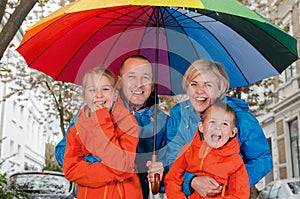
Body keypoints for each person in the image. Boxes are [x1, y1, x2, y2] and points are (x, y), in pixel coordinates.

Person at [55, 55, 169, 199]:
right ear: (119, 82)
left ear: (152, 85)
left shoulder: (162, 122)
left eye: (145, 77)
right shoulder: (91, 111)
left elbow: (172, 170)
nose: (139, 84)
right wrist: (102, 163)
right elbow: (63, 156)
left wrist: (161, 172)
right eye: (132, 76)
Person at [163, 59, 272, 197]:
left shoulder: (240, 119)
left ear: (219, 88)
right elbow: (171, 161)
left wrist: (229, 183)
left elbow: (262, 158)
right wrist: (192, 181)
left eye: (207, 85)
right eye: (193, 84)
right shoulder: (179, 116)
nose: (199, 91)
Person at [62, 67, 142, 198]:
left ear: (115, 94)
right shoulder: (76, 129)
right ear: (84, 95)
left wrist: (101, 118)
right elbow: (70, 170)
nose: (99, 95)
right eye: (92, 90)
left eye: (105, 89)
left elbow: (119, 164)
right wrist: (114, 172)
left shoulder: (128, 122)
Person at [164, 102, 250, 198]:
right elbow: (172, 179)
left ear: (233, 132)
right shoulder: (188, 151)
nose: (218, 127)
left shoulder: (235, 162)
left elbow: (240, 195)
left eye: (224, 123)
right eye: (212, 121)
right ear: (201, 127)